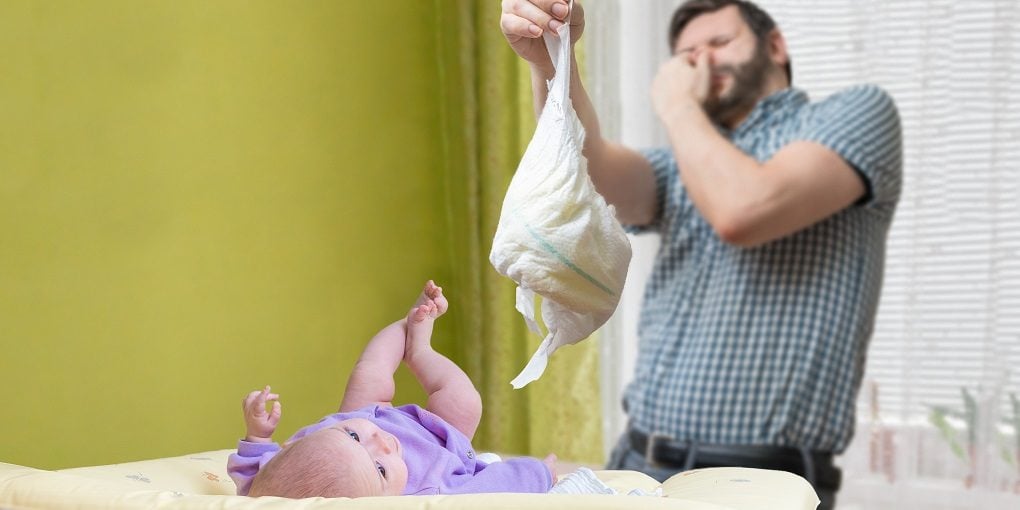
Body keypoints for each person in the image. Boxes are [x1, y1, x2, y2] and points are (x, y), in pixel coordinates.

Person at [500, 1, 902, 508]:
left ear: (775, 46)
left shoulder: (858, 114)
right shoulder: (685, 166)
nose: (700, 64)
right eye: (687, 55)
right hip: (637, 462)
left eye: (718, 44)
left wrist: (674, 102)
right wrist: (553, 62)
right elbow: (585, 174)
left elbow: (742, 209)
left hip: (761, 480)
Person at [227, 281, 557, 498]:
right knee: (464, 403)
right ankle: (420, 350)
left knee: (371, 371)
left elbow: (255, 481)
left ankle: (410, 321)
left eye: (355, 438)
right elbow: (497, 488)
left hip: (364, 414)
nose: (381, 442)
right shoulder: (430, 494)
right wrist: (541, 472)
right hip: (437, 440)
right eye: (381, 470)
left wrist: (258, 435)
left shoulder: (285, 480)